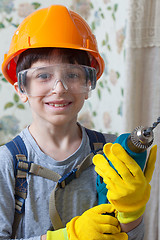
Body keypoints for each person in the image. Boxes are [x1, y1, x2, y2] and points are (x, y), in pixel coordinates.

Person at [0, 4, 156, 240]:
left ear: (89, 85)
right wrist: (64, 237)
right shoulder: (7, 163)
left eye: (72, 74)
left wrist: (130, 211)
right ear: (22, 88)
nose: (59, 88)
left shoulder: (111, 152)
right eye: (44, 75)